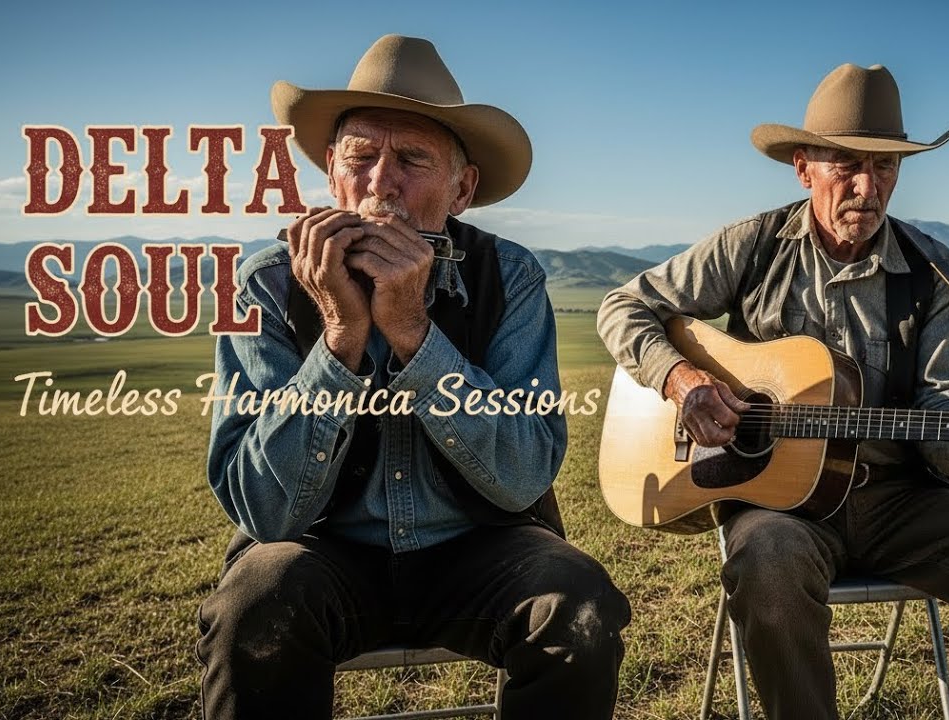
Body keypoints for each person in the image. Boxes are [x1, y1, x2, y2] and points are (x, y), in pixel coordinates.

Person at [597, 63, 949, 719]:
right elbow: (621, 307)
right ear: (803, 168)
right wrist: (682, 378)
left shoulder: (933, 271)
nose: (868, 186)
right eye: (846, 165)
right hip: (780, 512)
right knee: (768, 563)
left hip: (900, 503)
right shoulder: (753, 246)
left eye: (885, 167)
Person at [196, 35, 629, 720]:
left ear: (462, 188)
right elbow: (265, 512)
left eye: (412, 160)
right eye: (360, 158)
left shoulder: (509, 278)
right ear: (333, 178)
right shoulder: (265, 286)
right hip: (324, 555)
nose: (379, 183)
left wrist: (412, 334)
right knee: (257, 600)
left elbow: (524, 474)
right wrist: (339, 339)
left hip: (478, 549)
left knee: (577, 605)